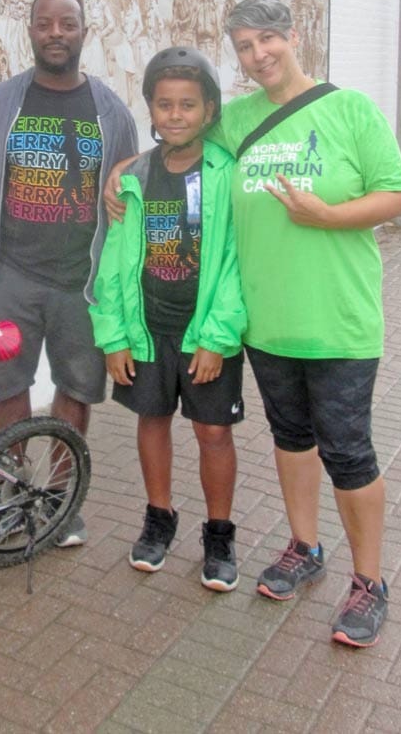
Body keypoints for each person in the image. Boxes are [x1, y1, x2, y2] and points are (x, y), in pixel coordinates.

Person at [104, 0, 401, 648]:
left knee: (348, 450)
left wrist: (327, 216)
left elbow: (396, 193)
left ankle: (370, 582)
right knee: (292, 439)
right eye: (243, 47)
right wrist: (124, 169)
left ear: (292, 36)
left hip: (340, 320)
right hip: (267, 326)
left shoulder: (350, 109)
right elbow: (177, 139)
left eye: (266, 39)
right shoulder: (236, 119)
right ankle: (304, 546)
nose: (257, 54)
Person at [0, 0, 139, 547]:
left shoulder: (112, 112)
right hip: (4, 283)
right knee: (4, 388)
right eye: (45, 23)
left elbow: (125, 202)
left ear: (84, 32)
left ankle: (60, 501)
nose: (56, 32)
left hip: (81, 287)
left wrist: (117, 287)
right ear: (31, 31)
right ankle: (11, 497)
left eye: (68, 23)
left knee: (77, 389)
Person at [90, 47, 246, 591]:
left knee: (212, 431)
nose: (175, 115)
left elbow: (234, 262)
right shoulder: (134, 178)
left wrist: (218, 337)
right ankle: (159, 519)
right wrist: (112, 335)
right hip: (147, 331)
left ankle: (220, 535)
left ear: (208, 109)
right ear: (150, 111)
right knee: (151, 420)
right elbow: (112, 266)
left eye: (187, 105)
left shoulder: (225, 175)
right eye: (164, 105)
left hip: (204, 333)